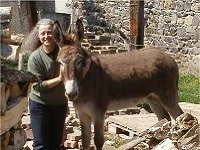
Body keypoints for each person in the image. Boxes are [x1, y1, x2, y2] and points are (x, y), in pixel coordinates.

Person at [26, 18, 68, 150]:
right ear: (38, 36)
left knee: (55, 144)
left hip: (59, 104)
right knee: (41, 145)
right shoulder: (35, 58)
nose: (46, 36)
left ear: (55, 34)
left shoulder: (64, 52)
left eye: (49, 32)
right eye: (43, 33)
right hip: (40, 105)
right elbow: (37, 86)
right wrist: (60, 79)